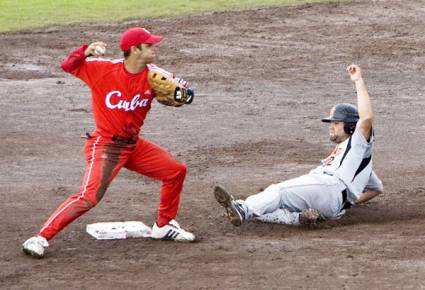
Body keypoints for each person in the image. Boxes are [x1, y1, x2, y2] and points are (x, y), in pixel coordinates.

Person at [23, 27, 195, 258]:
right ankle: (40, 237)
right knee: (89, 197)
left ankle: (163, 226)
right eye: (149, 45)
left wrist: (184, 95)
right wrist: (85, 51)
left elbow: (184, 92)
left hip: (133, 146)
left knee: (175, 171)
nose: (155, 48)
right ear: (134, 50)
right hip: (105, 146)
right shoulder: (102, 69)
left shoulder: (154, 76)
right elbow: (68, 66)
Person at [214, 64, 384, 227]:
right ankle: (298, 219)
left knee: (277, 192)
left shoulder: (358, 142)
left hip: (329, 188)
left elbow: (367, 118)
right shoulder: (359, 161)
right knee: (268, 208)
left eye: (336, 123)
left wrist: (358, 80)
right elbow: (377, 188)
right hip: (333, 205)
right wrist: (349, 201)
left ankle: (243, 209)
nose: (331, 126)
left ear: (351, 126)